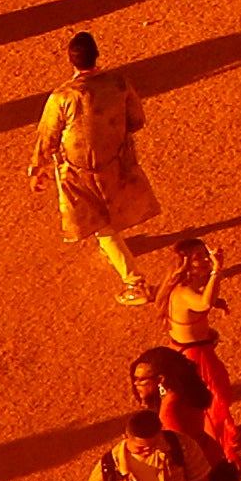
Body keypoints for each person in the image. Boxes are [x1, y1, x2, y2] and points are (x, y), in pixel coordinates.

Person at [34, 29, 169, 301]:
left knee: (101, 225)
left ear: (71, 61)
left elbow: (47, 137)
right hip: (117, 161)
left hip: (77, 170)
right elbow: (137, 120)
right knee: (112, 210)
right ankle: (115, 251)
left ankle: (136, 283)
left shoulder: (62, 96)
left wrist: (38, 169)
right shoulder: (119, 83)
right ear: (97, 55)